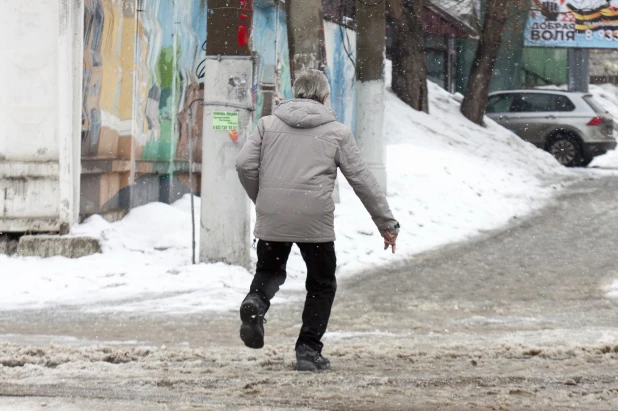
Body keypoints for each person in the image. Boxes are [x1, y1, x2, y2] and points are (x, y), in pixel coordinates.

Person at [235, 69, 400, 372]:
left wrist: (262, 198)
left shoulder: (267, 125)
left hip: (274, 215)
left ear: (295, 93)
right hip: (315, 219)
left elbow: (244, 164)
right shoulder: (336, 132)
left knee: (269, 270)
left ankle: (256, 303)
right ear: (325, 97)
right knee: (321, 283)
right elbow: (362, 180)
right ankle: (308, 349)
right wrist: (386, 223)